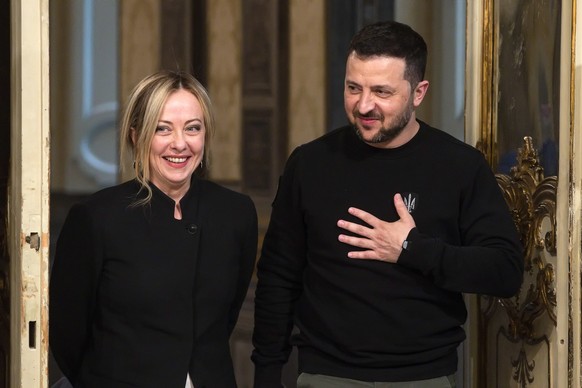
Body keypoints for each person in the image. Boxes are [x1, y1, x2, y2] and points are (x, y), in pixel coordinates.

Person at [251, 20, 524, 387]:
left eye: (381, 91)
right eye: (353, 88)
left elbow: (504, 271)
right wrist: (267, 374)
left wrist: (411, 248)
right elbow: (278, 276)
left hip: (423, 376)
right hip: (325, 373)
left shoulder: (459, 166)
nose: (364, 105)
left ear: (418, 92)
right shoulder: (310, 164)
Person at [50, 70, 258, 388]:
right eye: (163, 129)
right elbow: (68, 336)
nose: (180, 144)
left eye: (193, 128)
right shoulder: (96, 217)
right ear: (137, 136)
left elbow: (225, 318)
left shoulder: (235, 214)